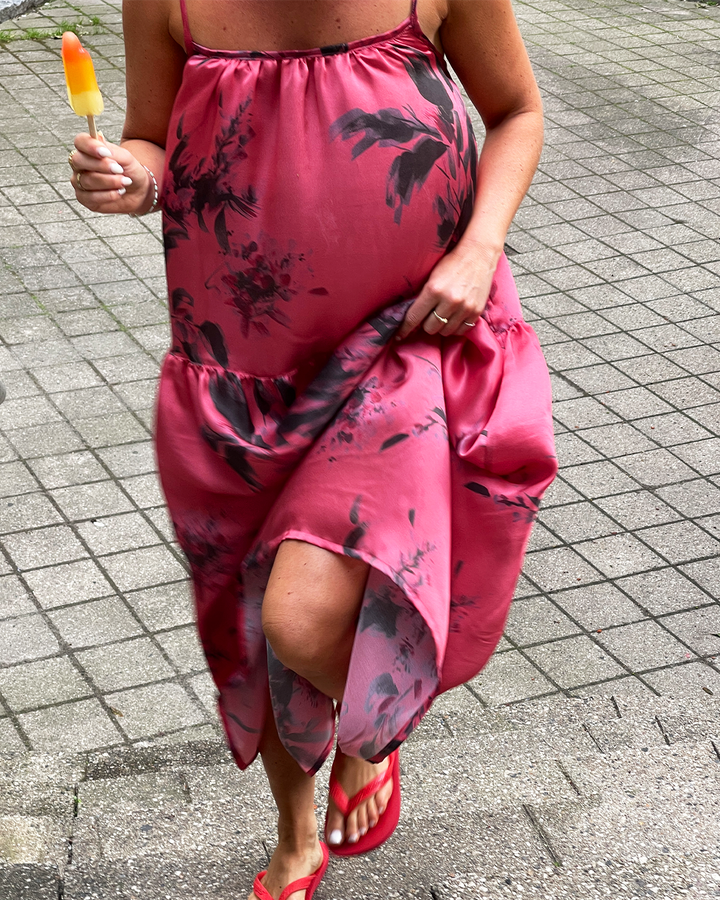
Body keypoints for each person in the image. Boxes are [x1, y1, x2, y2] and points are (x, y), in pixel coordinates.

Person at [68, 1, 557, 897]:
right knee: (257, 620)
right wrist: (127, 178)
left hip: (403, 340)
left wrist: (483, 246)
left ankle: (371, 733)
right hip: (239, 365)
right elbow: (150, 141)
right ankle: (297, 832)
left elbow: (518, 111)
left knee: (298, 615)